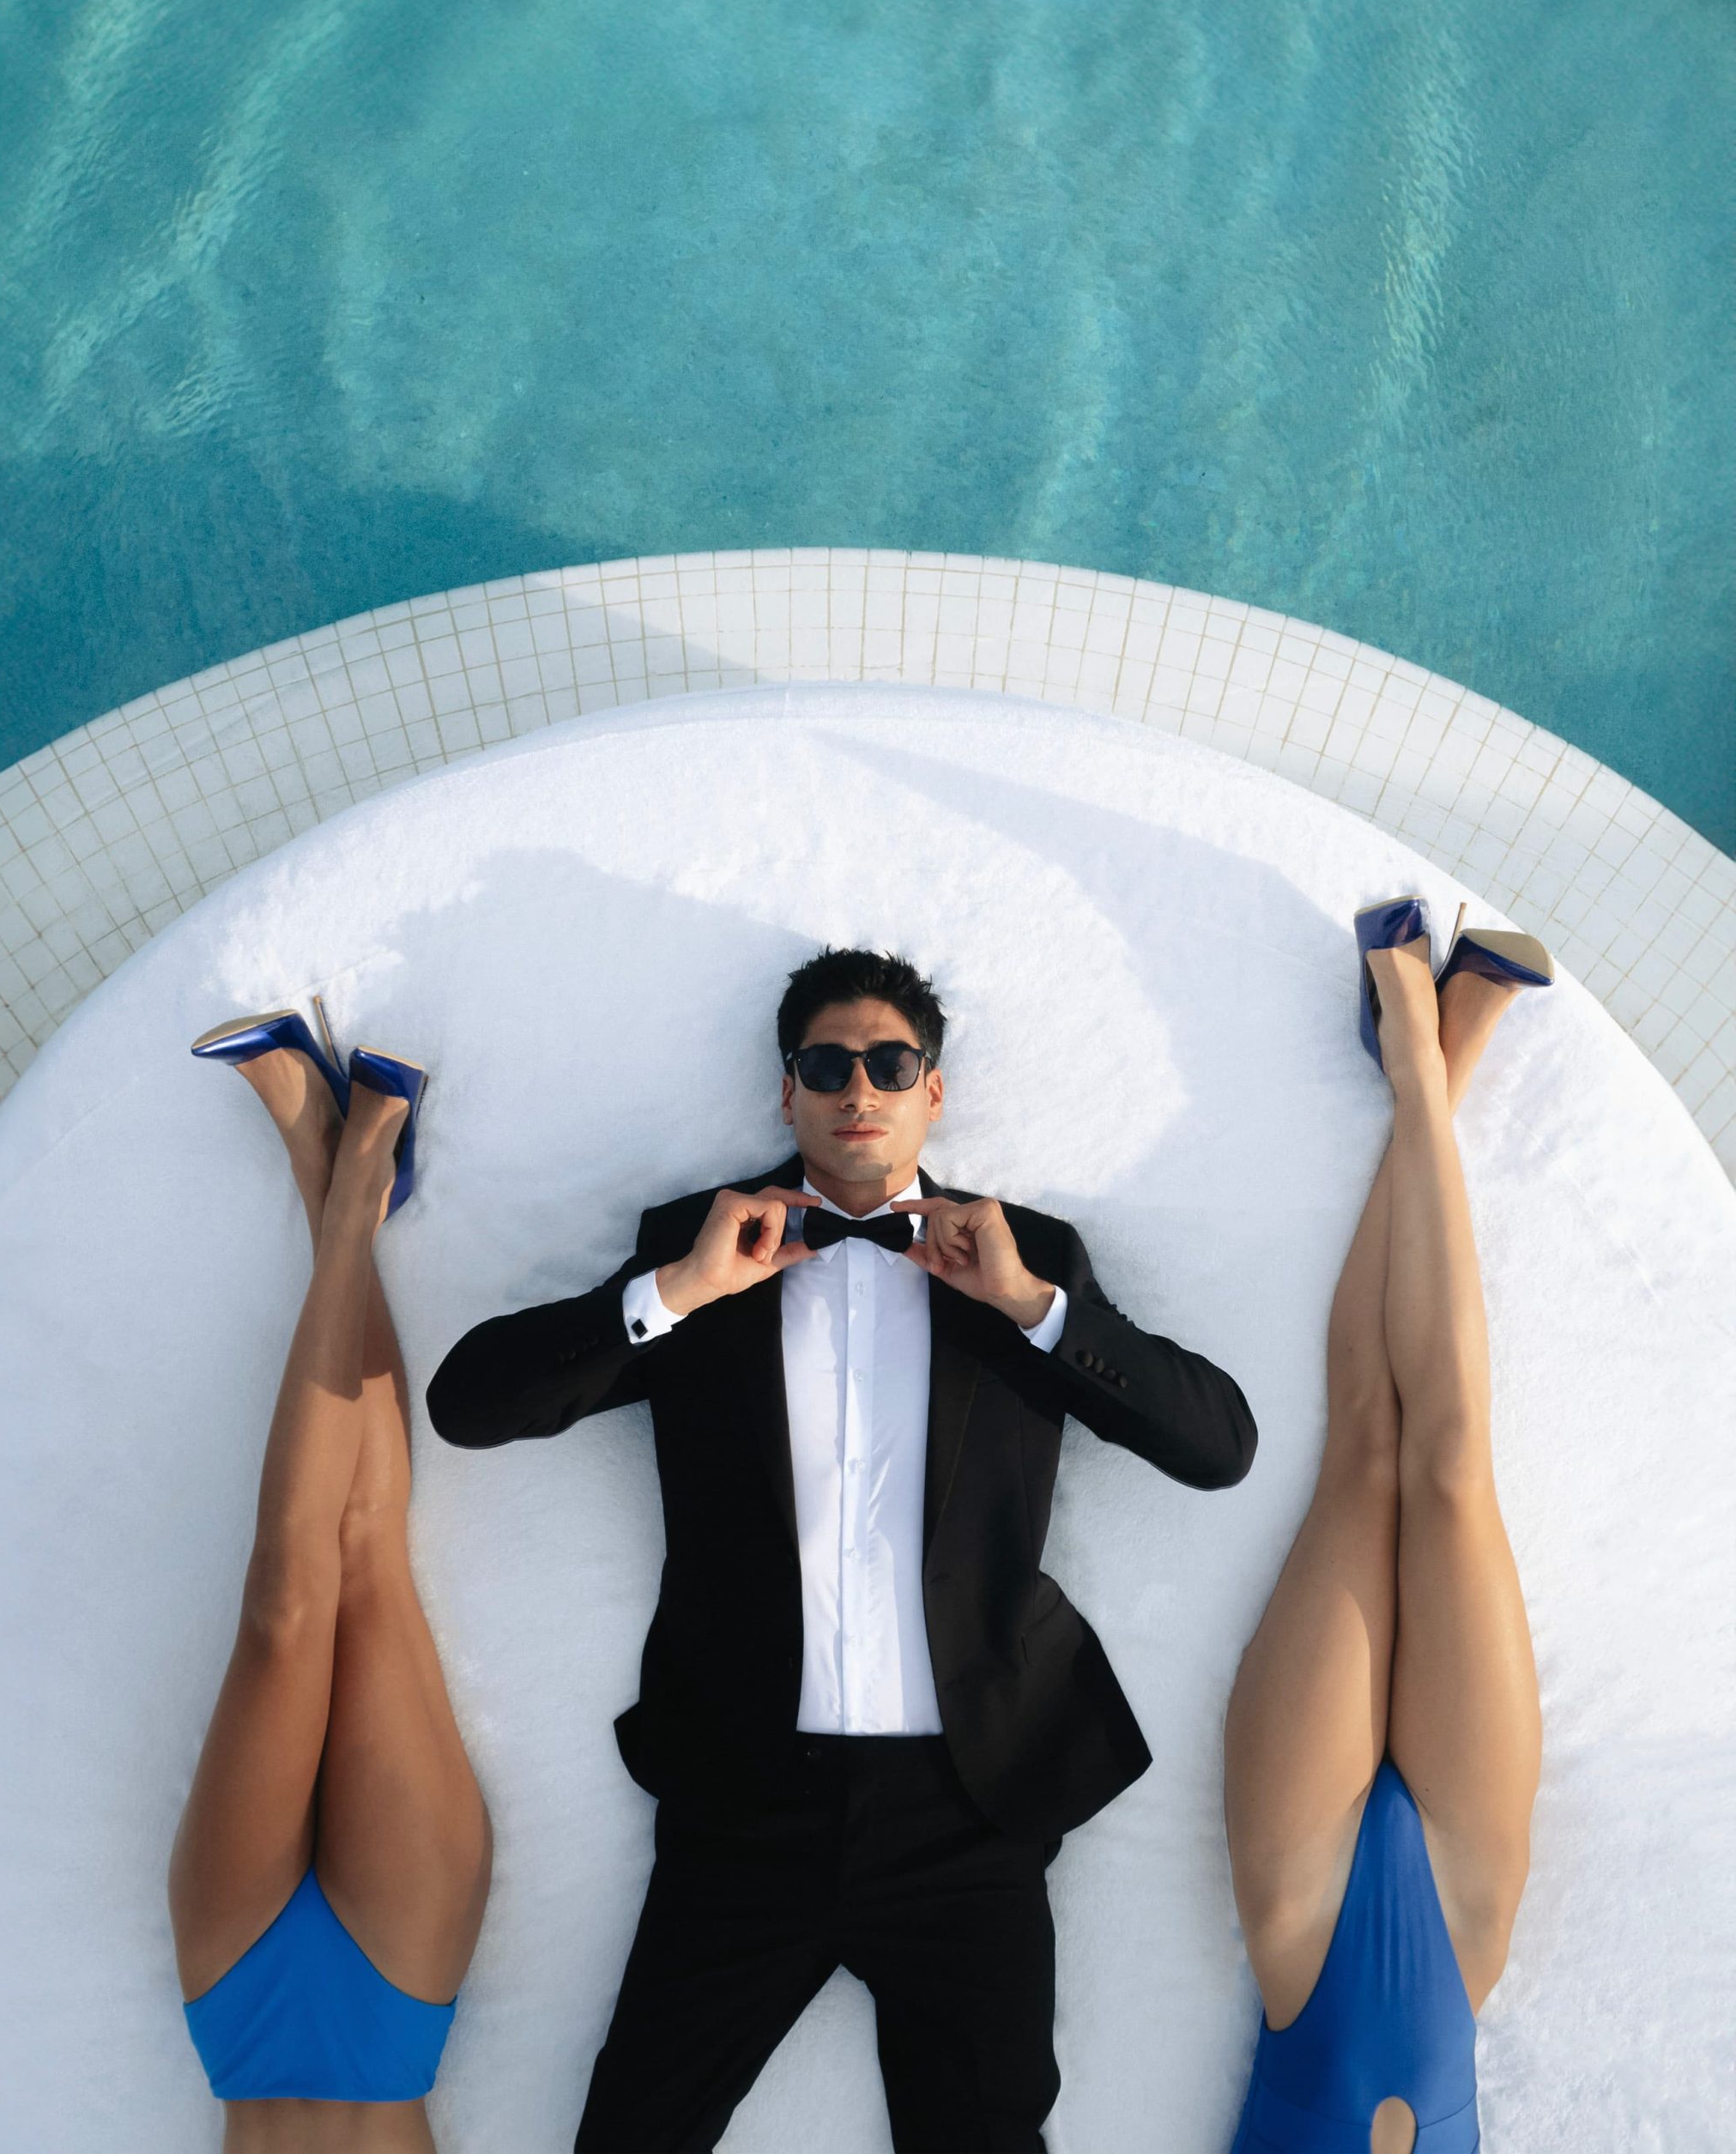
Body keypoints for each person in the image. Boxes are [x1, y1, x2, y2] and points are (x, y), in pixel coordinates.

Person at [428, 945, 1257, 2154]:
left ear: (933, 1092)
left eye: (888, 1061)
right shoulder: (700, 1245)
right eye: (826, 1063)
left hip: (970, 1810)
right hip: (747, 1802)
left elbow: (1218, 1446)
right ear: (787, 1093)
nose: (855, 1085)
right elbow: (469, 1406)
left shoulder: (1027, 1257)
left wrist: (1036, 1310)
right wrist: (674, 1292)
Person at [1222, 901, 1552, 2154]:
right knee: (1456, 1469)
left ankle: (1424, 1050)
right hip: (1463, 1934)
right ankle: (1435, 1061)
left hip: (1303, 1932)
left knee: (1367, 1447)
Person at [169, 1006, 493, 2151]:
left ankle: (340, 1176)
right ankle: (347, 1182)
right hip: (389, 2000)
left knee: (278, 1608)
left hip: (241, 2012)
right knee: (361, 1555)